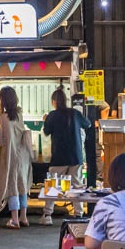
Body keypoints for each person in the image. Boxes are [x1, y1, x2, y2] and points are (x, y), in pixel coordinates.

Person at [40, 88, 90, 225]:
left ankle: (47, 215)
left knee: (52, 186)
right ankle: (79, 214)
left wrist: (46, 120)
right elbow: (88, 124)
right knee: (76, 185)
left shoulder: (52, 115)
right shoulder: (74, 113)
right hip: (75, 156)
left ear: (54, 101)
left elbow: (46, 132)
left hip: (59, 156)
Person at [0, 86, 33, 229]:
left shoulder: (3, 117)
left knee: (12, 187)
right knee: (22, 186)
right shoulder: (19, 113)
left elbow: (3, 140)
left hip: (10, 156)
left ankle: (14, 220)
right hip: (22, 155)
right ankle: (24, 218)